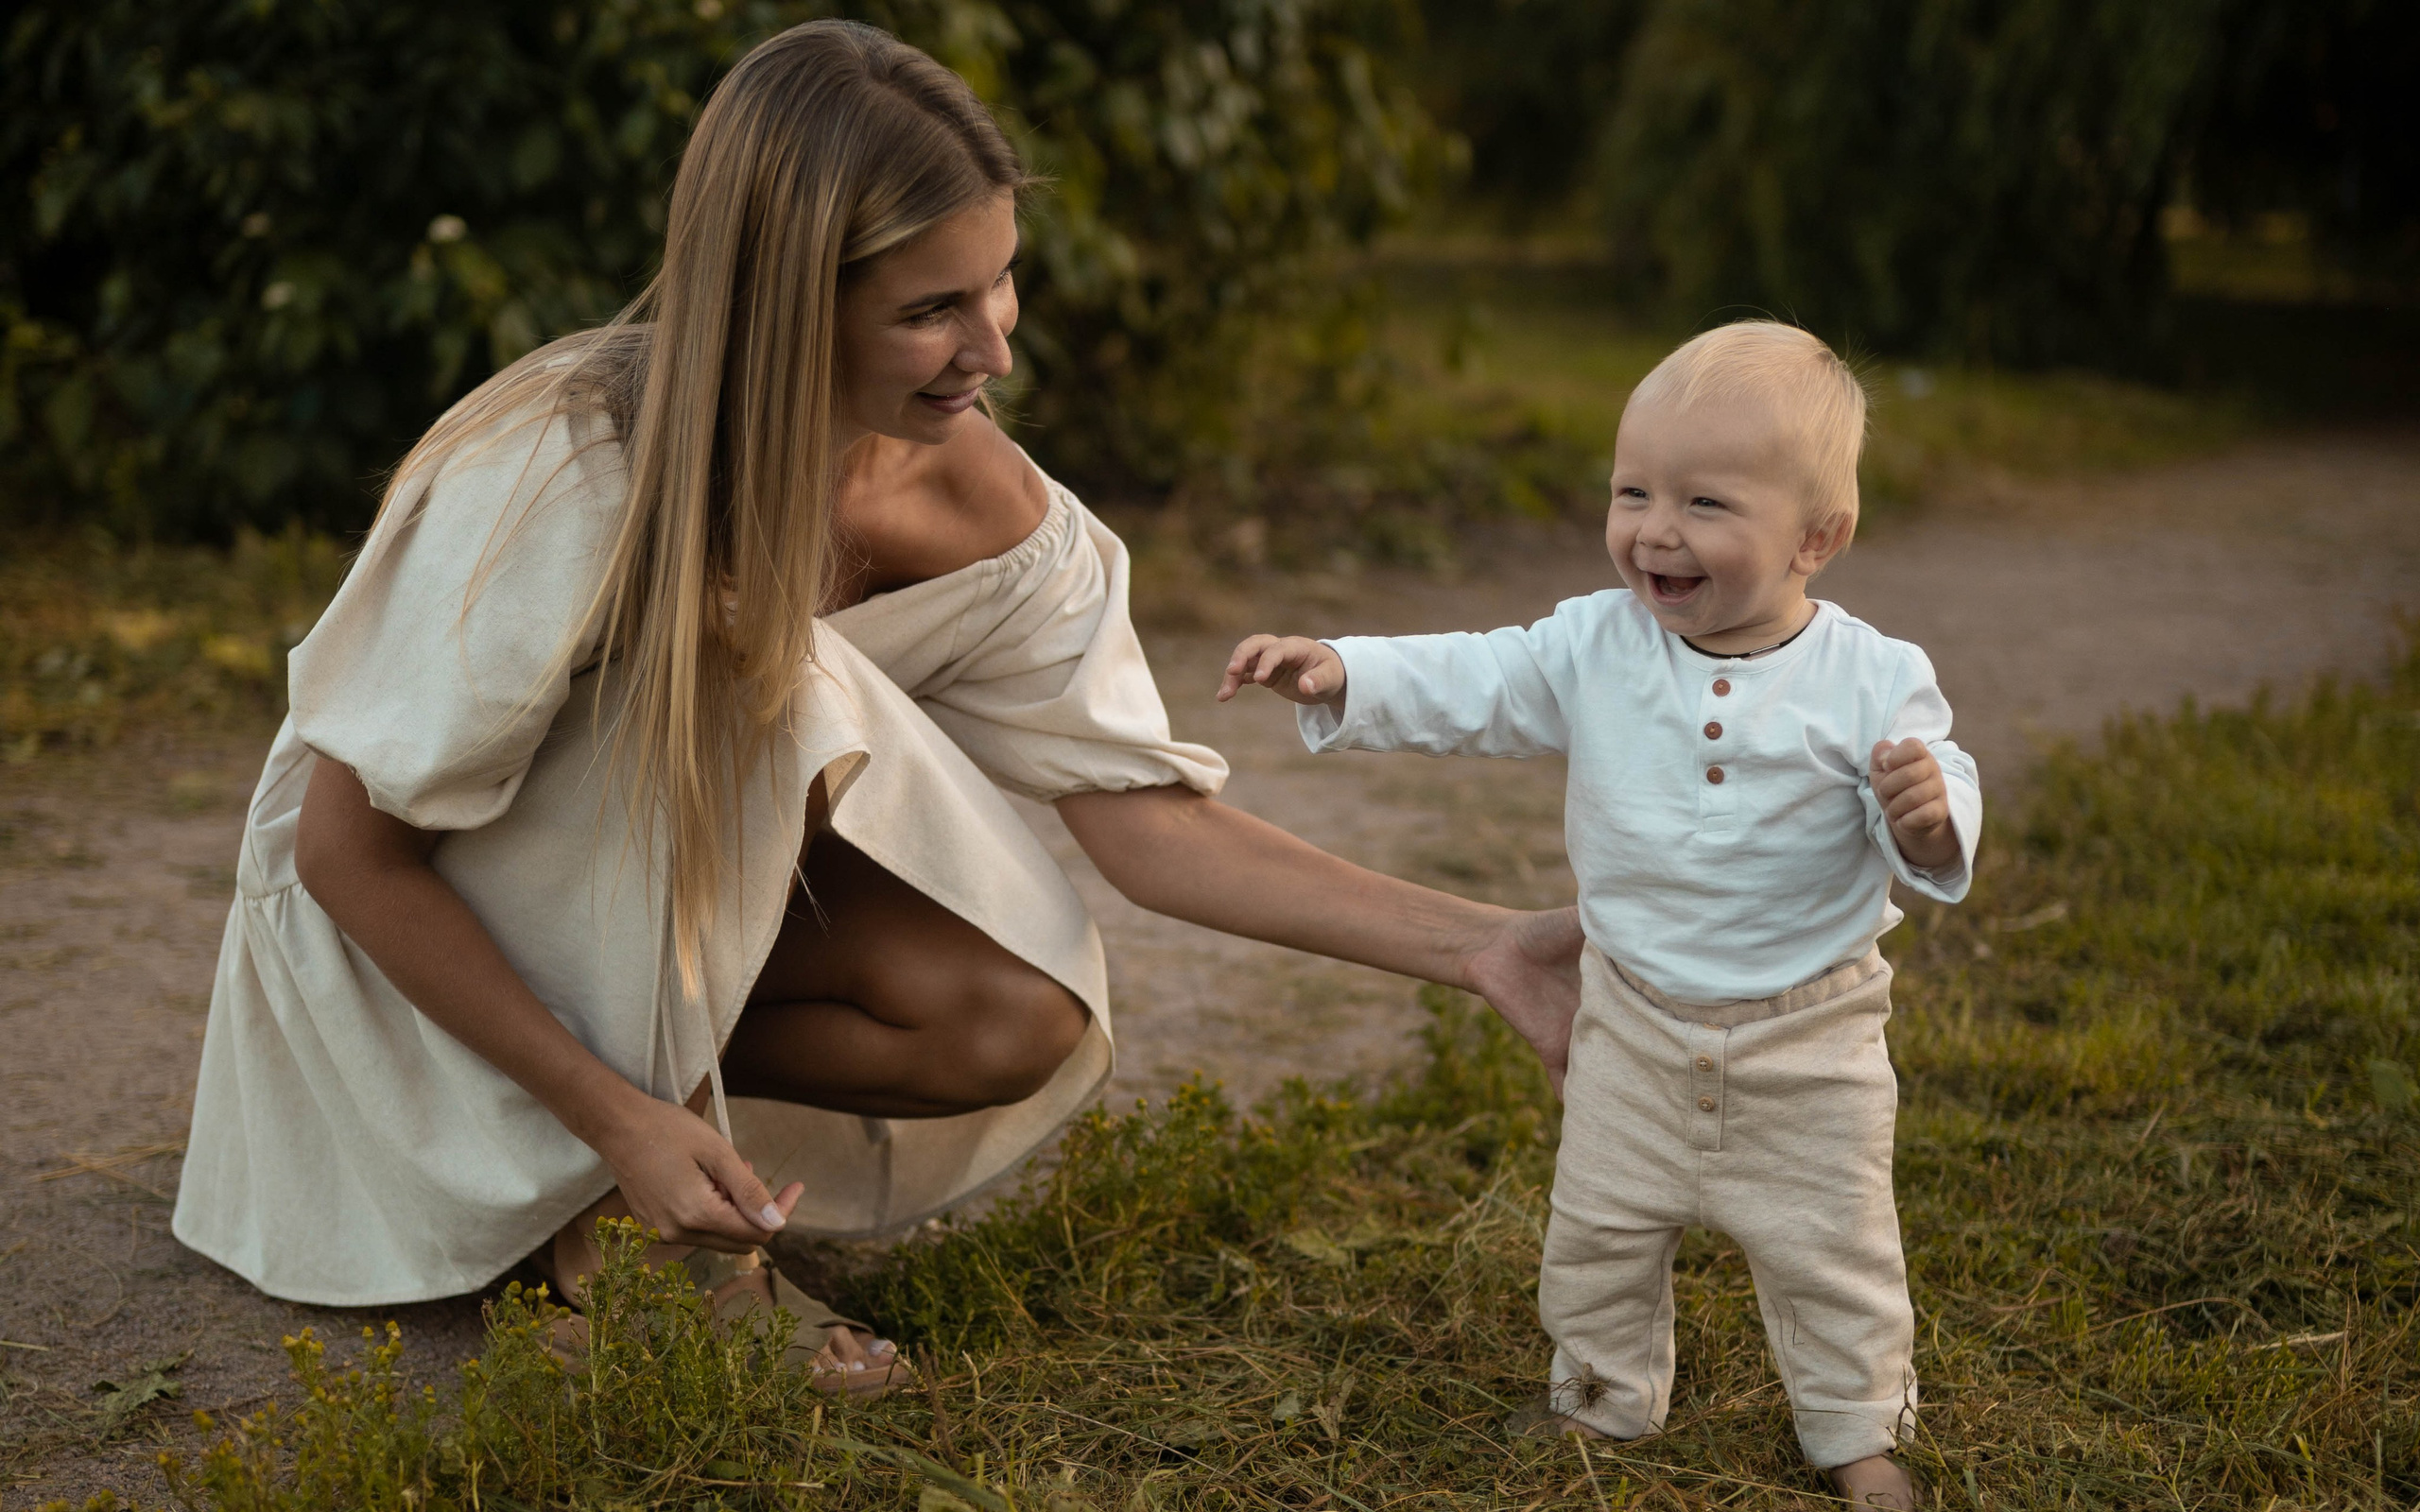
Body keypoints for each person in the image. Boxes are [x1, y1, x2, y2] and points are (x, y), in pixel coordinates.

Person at [169, 19, 1582, 1398]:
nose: (994, 350)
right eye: (929, 311)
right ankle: (643, 1229)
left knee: (1006, 1015)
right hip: (393, 972)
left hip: (635, 957)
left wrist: (1482, 947)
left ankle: (624, 1154)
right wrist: (613, 1110)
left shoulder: (990, 514)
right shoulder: (566, 471)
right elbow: (344, 853)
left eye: (1000, 282)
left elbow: (1154, 827)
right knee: (757, 673)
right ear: (784, 307)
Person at [1217, 320, 1980, 1507]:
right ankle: (1600, 1394)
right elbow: (1479, 676)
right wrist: (1347, 669)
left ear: (1816, 539)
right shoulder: (1596, 643)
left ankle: (1854, 1431)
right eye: (1633, 492)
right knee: (1596, 1233)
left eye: (1704, 502)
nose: (1654, 529)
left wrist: (1927, 818)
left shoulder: (1873, 676)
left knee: (1833, 1253)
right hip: (1630, 1019)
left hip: (1811, 1037)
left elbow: (1933, 810)